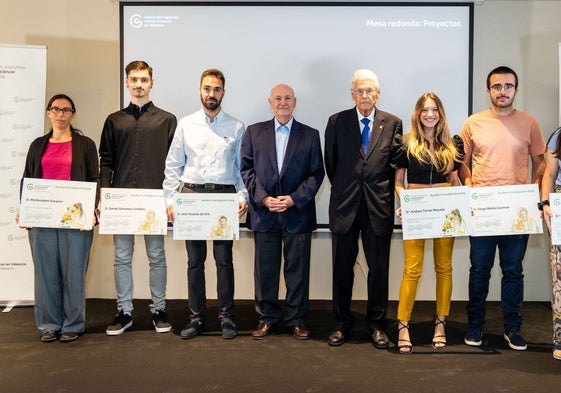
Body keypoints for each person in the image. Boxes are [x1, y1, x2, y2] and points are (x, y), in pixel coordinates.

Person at [459, 66, 545, 351]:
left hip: (517, 212)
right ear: (488, 91)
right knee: (479, 271)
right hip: (483, 210)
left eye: (508, 86)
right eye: (497, 86)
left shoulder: (530, 122)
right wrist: (469, 183)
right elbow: (462, 162)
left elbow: (540, 162)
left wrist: (533, 191)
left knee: (513, 272)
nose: (502, 91)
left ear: (516, 90)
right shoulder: (473, 122)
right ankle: (475, 326)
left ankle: (512, 328)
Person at [163, 68, 248, 340]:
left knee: (224, 261)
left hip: (223, 196)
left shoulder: (236, 127)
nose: (212, 94)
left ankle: (226, 317)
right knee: (194, 261)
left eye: (217, 89)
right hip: (191, 196)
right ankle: (196, 317)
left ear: (224, 92)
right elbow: (173, 166)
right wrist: (170, 200)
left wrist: (242, 196)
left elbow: (241, 169)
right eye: (207, 88)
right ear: (200, 90)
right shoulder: (186, 124)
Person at [324, 69, 404, 347]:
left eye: (370, 90)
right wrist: (350, 189)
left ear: (378, 93)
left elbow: (395, 165)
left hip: (378, 207)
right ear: (352, 94)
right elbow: (331, 165)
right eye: (360, 90)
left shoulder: (393, 123)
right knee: (342, 269)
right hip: (345, 206)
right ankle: (341, 323)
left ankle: (377, 325)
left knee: (378, 269)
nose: (365, 95)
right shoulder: (336, 122)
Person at [240, 84, 325, 340]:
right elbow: (246, 170)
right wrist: (264, 198)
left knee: (297, 272)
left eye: (287, 98)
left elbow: (316, 173)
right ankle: (266, 318)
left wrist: (293, 199)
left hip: (296, 213)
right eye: (278, 98)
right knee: (265, 271)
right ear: (270, 102)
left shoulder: (310, 135)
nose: (283, 102)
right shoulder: (254, 132)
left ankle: (296, 320)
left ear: (295, 102)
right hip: (264, 213)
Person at [99, 60, 177, 336]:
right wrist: (104, 197)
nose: (139, 84)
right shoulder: (114, 120)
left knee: (157, 256)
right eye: (134, 79)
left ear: (151, 83)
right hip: (120, 201)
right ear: (127, 83)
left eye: (144, 79)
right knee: (122, 257)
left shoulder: (167, 120)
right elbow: (105, 161)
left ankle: (159, 309)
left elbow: (173, 163)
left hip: (154, 201)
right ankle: (125, 312)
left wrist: (171, 199)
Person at [17, 94, 99, 342]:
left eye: (66, 110)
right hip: (42, 220)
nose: (61, 114)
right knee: (45, 273)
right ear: (48, 112)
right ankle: (49, 324)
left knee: (74, 272)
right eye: (56, 109)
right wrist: (24, 208)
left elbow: (94, 179)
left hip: (75, 220)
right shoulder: (37, 145)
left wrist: (93, 210)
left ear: (72, 114)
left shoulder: (85, 144)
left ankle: (73, 325)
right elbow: (27, 180)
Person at [394, 92, 464, 354]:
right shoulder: (405, 143)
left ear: (441, 113)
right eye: (425, 110)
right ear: (418, 114)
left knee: (444, 267)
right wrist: (405, 202)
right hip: (418, 207)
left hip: (446, 207)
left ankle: (440, 323)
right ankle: (403, 325)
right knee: (412, 268)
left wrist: (463, 203)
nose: (430, 114)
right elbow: (398, 183)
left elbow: (455, 180)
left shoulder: (452, 144)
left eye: (434, 109)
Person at [538, 125, 561, 360]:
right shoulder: (558, 135)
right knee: (560, 278)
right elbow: (550, 174)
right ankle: (560, 338)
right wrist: (545, 203)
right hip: (560, 208)